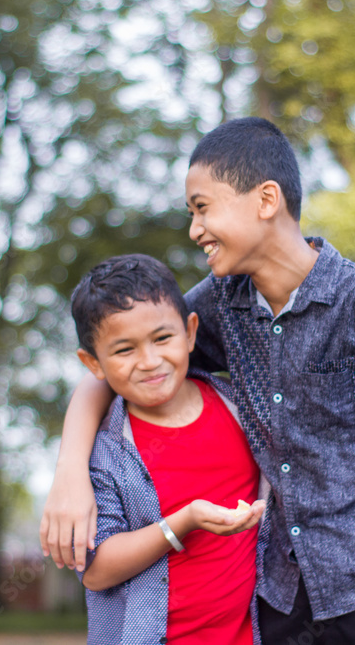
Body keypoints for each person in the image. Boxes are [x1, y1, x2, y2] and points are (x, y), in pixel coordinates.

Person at [44, 117, 355, 644]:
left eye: (203, 208)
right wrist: (69, 473)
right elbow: (120, 368)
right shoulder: (219, 304)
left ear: (266, 199)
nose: (195, 229)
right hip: (279, 594)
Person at [69, 254, 267, 643]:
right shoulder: (107, 450)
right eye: (124, 350)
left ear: (191, 332)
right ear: (93, 363)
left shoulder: (240, 408)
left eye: (163, 338)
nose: (150, 361)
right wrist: (183, 522)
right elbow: (95, 569)